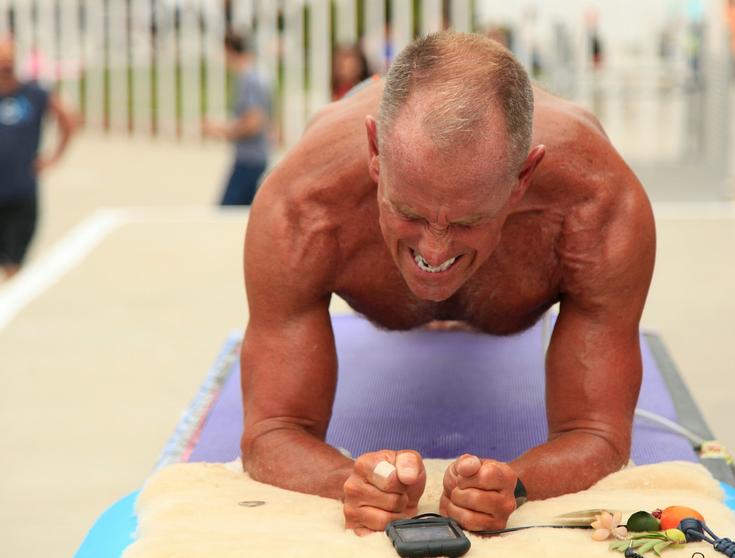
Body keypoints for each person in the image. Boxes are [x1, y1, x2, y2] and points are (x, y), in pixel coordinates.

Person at [241, 32, 655, 535]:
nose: (434, 252)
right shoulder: (303, 205)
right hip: (350, 126)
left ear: (523, 178)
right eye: (408, 213)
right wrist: (350, 483)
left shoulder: (597, 204)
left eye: (467, 222)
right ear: (375, 153)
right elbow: (271, 431)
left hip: (547, 132)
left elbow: (597, 433)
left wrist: (515, 485)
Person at [0, 36, 75, 281]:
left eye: (9, 61)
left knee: (15, 262)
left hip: (21, 191)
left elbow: (69, 120)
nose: (5, 67)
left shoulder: (34, 94)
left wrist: (55, 157)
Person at [203, 31, 272, 206]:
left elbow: (253, 121)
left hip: (249, 159)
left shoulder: (250, 78)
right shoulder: (256, 75)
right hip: (254, 157)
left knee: (225, 215)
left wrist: (221, 130)